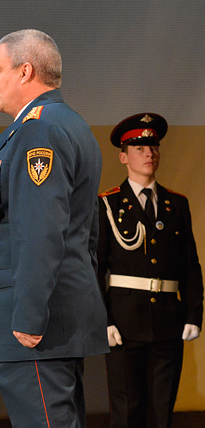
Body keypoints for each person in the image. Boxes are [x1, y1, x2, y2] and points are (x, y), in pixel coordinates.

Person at [0, 29, 108, 427]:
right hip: (55, 313)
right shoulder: (69, 123)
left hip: (35, 325)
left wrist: (28, 315)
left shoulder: (38, 129)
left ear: (25, 72)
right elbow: (84, 233)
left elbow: (41, 229)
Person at [97, 113, 203, 428]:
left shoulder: (176, 204)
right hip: (124, 325)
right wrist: (104, 320)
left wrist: (193, 314)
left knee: (162, 412)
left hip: (168, 322)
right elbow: (95, 269)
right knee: (127, 413)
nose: (149, 154)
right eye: (139, 148)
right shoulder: (108, 204)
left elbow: (189, 265)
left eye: (153, 147)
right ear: (123, 157)